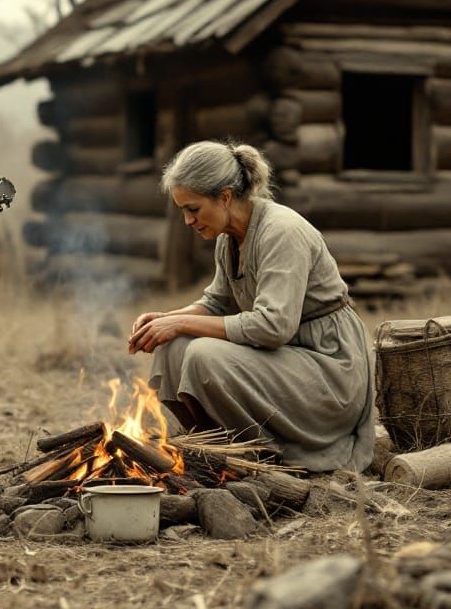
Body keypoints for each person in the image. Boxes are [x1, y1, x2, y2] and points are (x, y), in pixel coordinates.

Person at [127, 140, 374, 472]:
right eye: (182, 210)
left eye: (194, 209)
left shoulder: (281, 232)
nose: (187, 220)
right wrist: (165, 321)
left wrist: (181, 324)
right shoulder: (228, 240)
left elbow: (274, 327)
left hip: (329, 370)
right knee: (173, 347)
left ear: (225, 196)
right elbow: (216, 303)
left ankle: (261, 456)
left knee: (203, 354)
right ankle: (212, 451)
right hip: (286, 362)